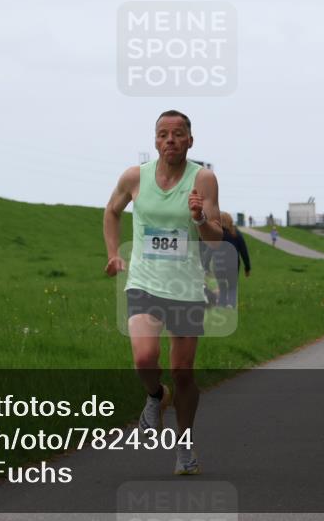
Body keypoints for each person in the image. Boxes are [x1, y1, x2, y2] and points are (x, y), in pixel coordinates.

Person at [104, 110, 222, 476]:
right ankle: (156, 396)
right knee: (144, 358)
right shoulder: (134, 177)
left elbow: (216, 238)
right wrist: (112, 254)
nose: (170, 139)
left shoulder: (203, 179)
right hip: (144, 282)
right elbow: (111, 212)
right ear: (155, 141)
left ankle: (184, 447)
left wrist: (200, 218)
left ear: (190, 140)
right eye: (162, 134)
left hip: (185, 287)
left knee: (182, 371)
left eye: (178, 133)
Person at [202, 212, 251, 308]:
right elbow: (244, 251)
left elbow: (209, 252)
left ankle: (221, 303)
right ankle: (231, 304)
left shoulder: (216, 235)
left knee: (222, 286)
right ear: (230, 221)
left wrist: (206, 267)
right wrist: (247, 267)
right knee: (232, 286)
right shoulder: (236, 234)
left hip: (219, 266)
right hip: (233, 266)